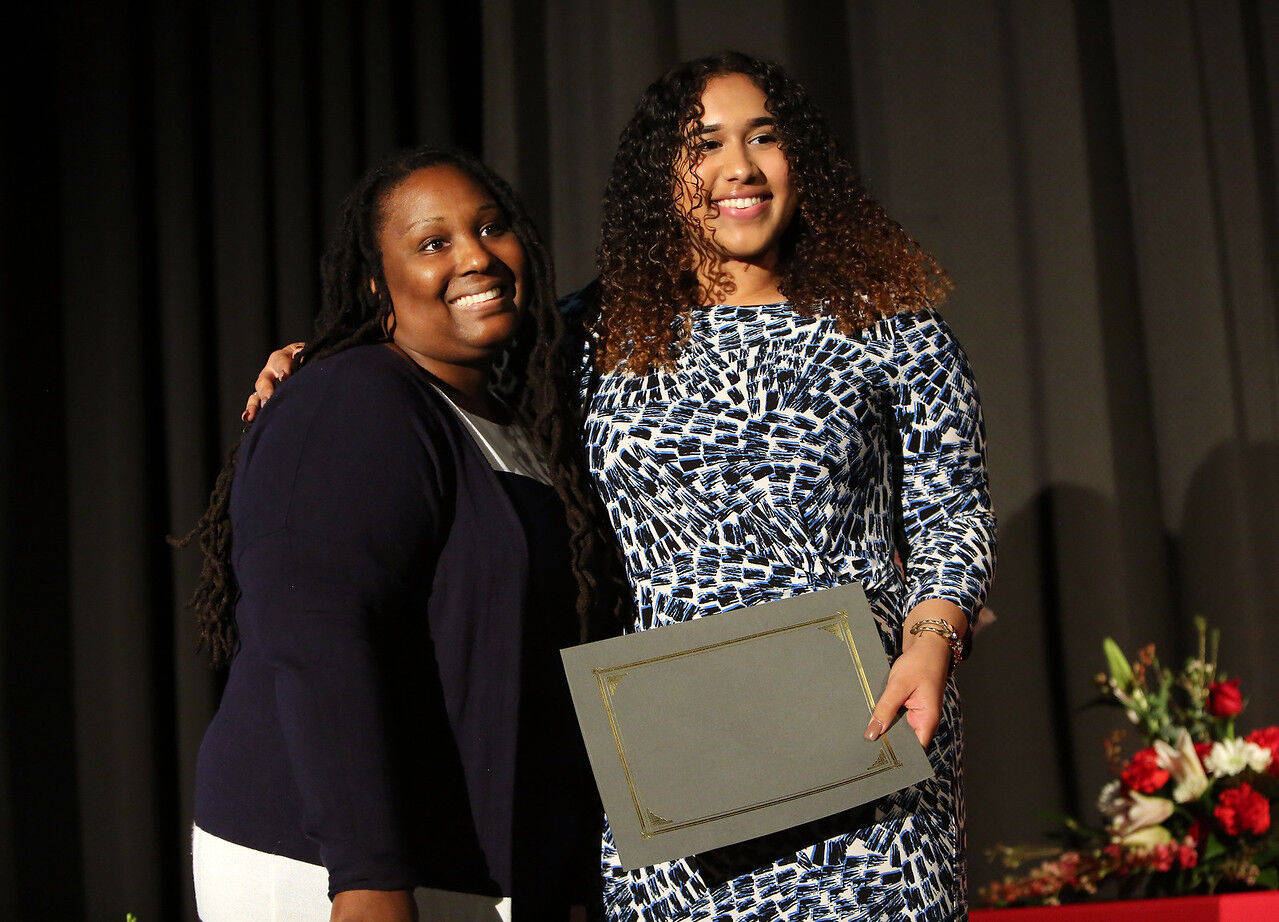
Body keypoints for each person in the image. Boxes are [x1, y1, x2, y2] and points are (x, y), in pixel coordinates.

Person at [248, 52, 996, 921]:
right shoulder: (587, 333)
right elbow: (442, 361)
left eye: (763, 138)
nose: (739, 168)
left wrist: (930, 642)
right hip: (672, 765)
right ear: (660, 176)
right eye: (703, 145)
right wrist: (319, 360)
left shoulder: (894, 328)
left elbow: (953, 513)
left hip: (860, 739)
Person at [180, 146, 624, 922]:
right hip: (322, 861)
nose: (475, 257)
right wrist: (367, 876)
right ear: (375, 284)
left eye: (491, 227)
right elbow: (314, 634)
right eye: (433, 242)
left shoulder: (518, 421)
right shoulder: (355, 398)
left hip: (457, 861)